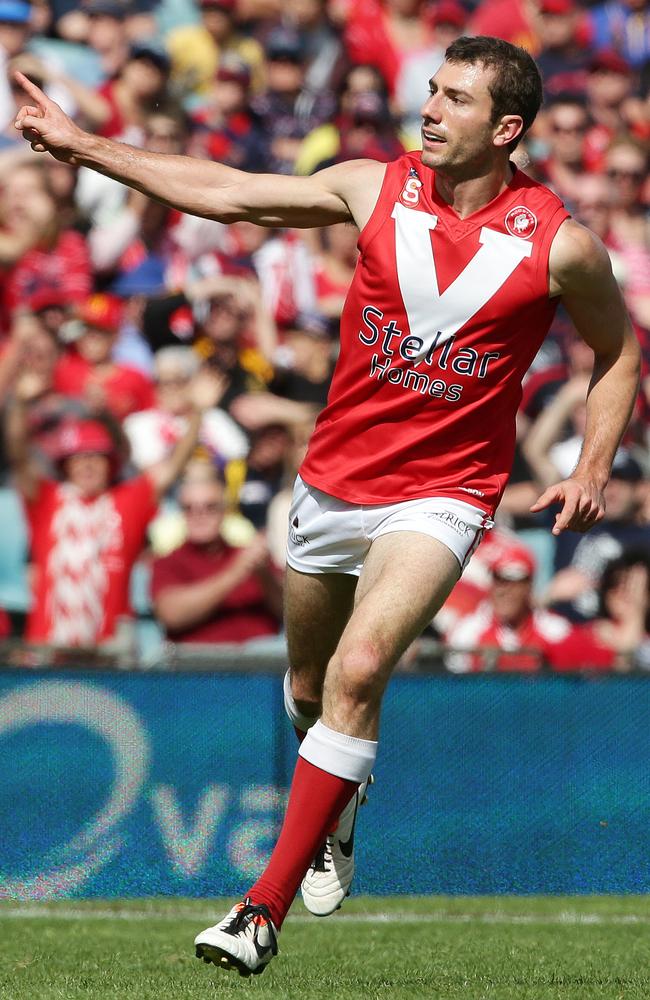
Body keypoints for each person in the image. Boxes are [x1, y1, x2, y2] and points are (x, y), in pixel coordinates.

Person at [13, 34, 641, 976]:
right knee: (309, 693)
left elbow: (620, 349)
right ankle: (338, 805)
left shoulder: (561, 245)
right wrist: (86, 145)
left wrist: (593, 465)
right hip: (334, 485)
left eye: (456, 98)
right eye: (430, 89)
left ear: (507, 128)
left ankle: (258, 910)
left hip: (443, 496)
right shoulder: (370, 187)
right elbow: (227, 191)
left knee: (358, 673)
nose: (428, 109)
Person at [5, 368, 224, 647]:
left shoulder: (127, 501)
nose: (87, 464)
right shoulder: (47, 499)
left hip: (108, 656)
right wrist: (21, 403)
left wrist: (198, 413)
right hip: (48, 653)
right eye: (79, 457)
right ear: (65, 464)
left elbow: (173, 467)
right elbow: (18, 454)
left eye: (97, 457)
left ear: (111, 465)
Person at [151, 471, 283, 645]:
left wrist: (265, 576)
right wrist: (236, 572)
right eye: (189, 508)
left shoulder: (252, 557)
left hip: (262, 661)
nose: (199, 515)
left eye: (210, 507)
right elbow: (171, 615)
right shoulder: (168, 563)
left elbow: (289, 612)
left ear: (225, 511)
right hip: (199, 666)